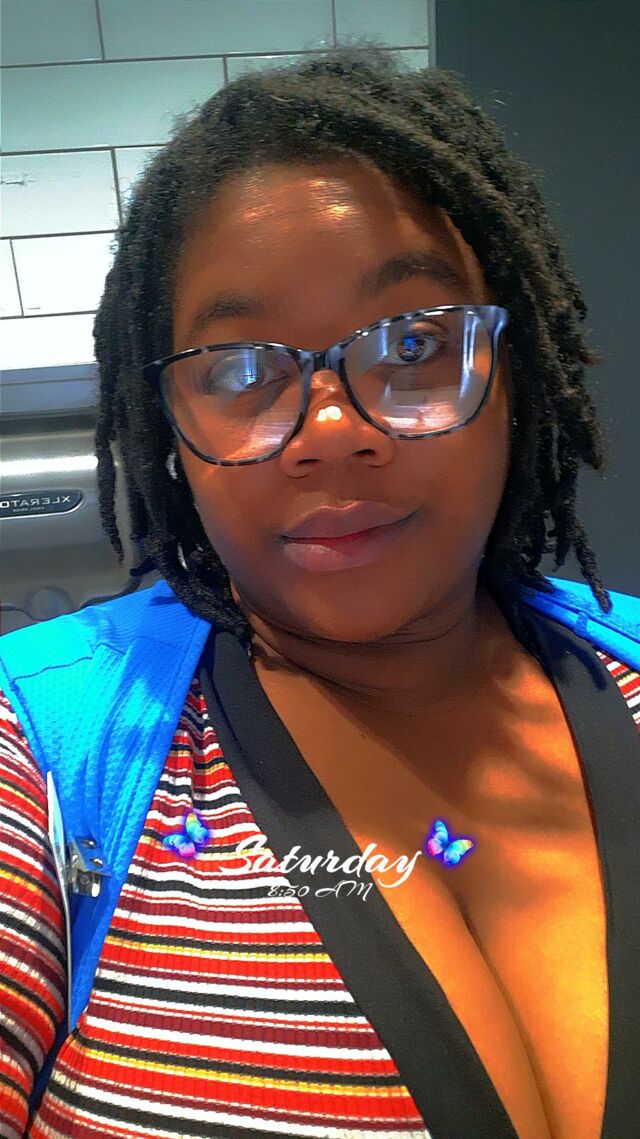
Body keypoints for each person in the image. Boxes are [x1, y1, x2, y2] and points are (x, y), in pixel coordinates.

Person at [0, 44, 638, 1139]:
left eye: (412, 342)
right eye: (240, 369)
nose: (331, 432)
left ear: (513, 373)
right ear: (172, 435)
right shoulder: (42, 741)